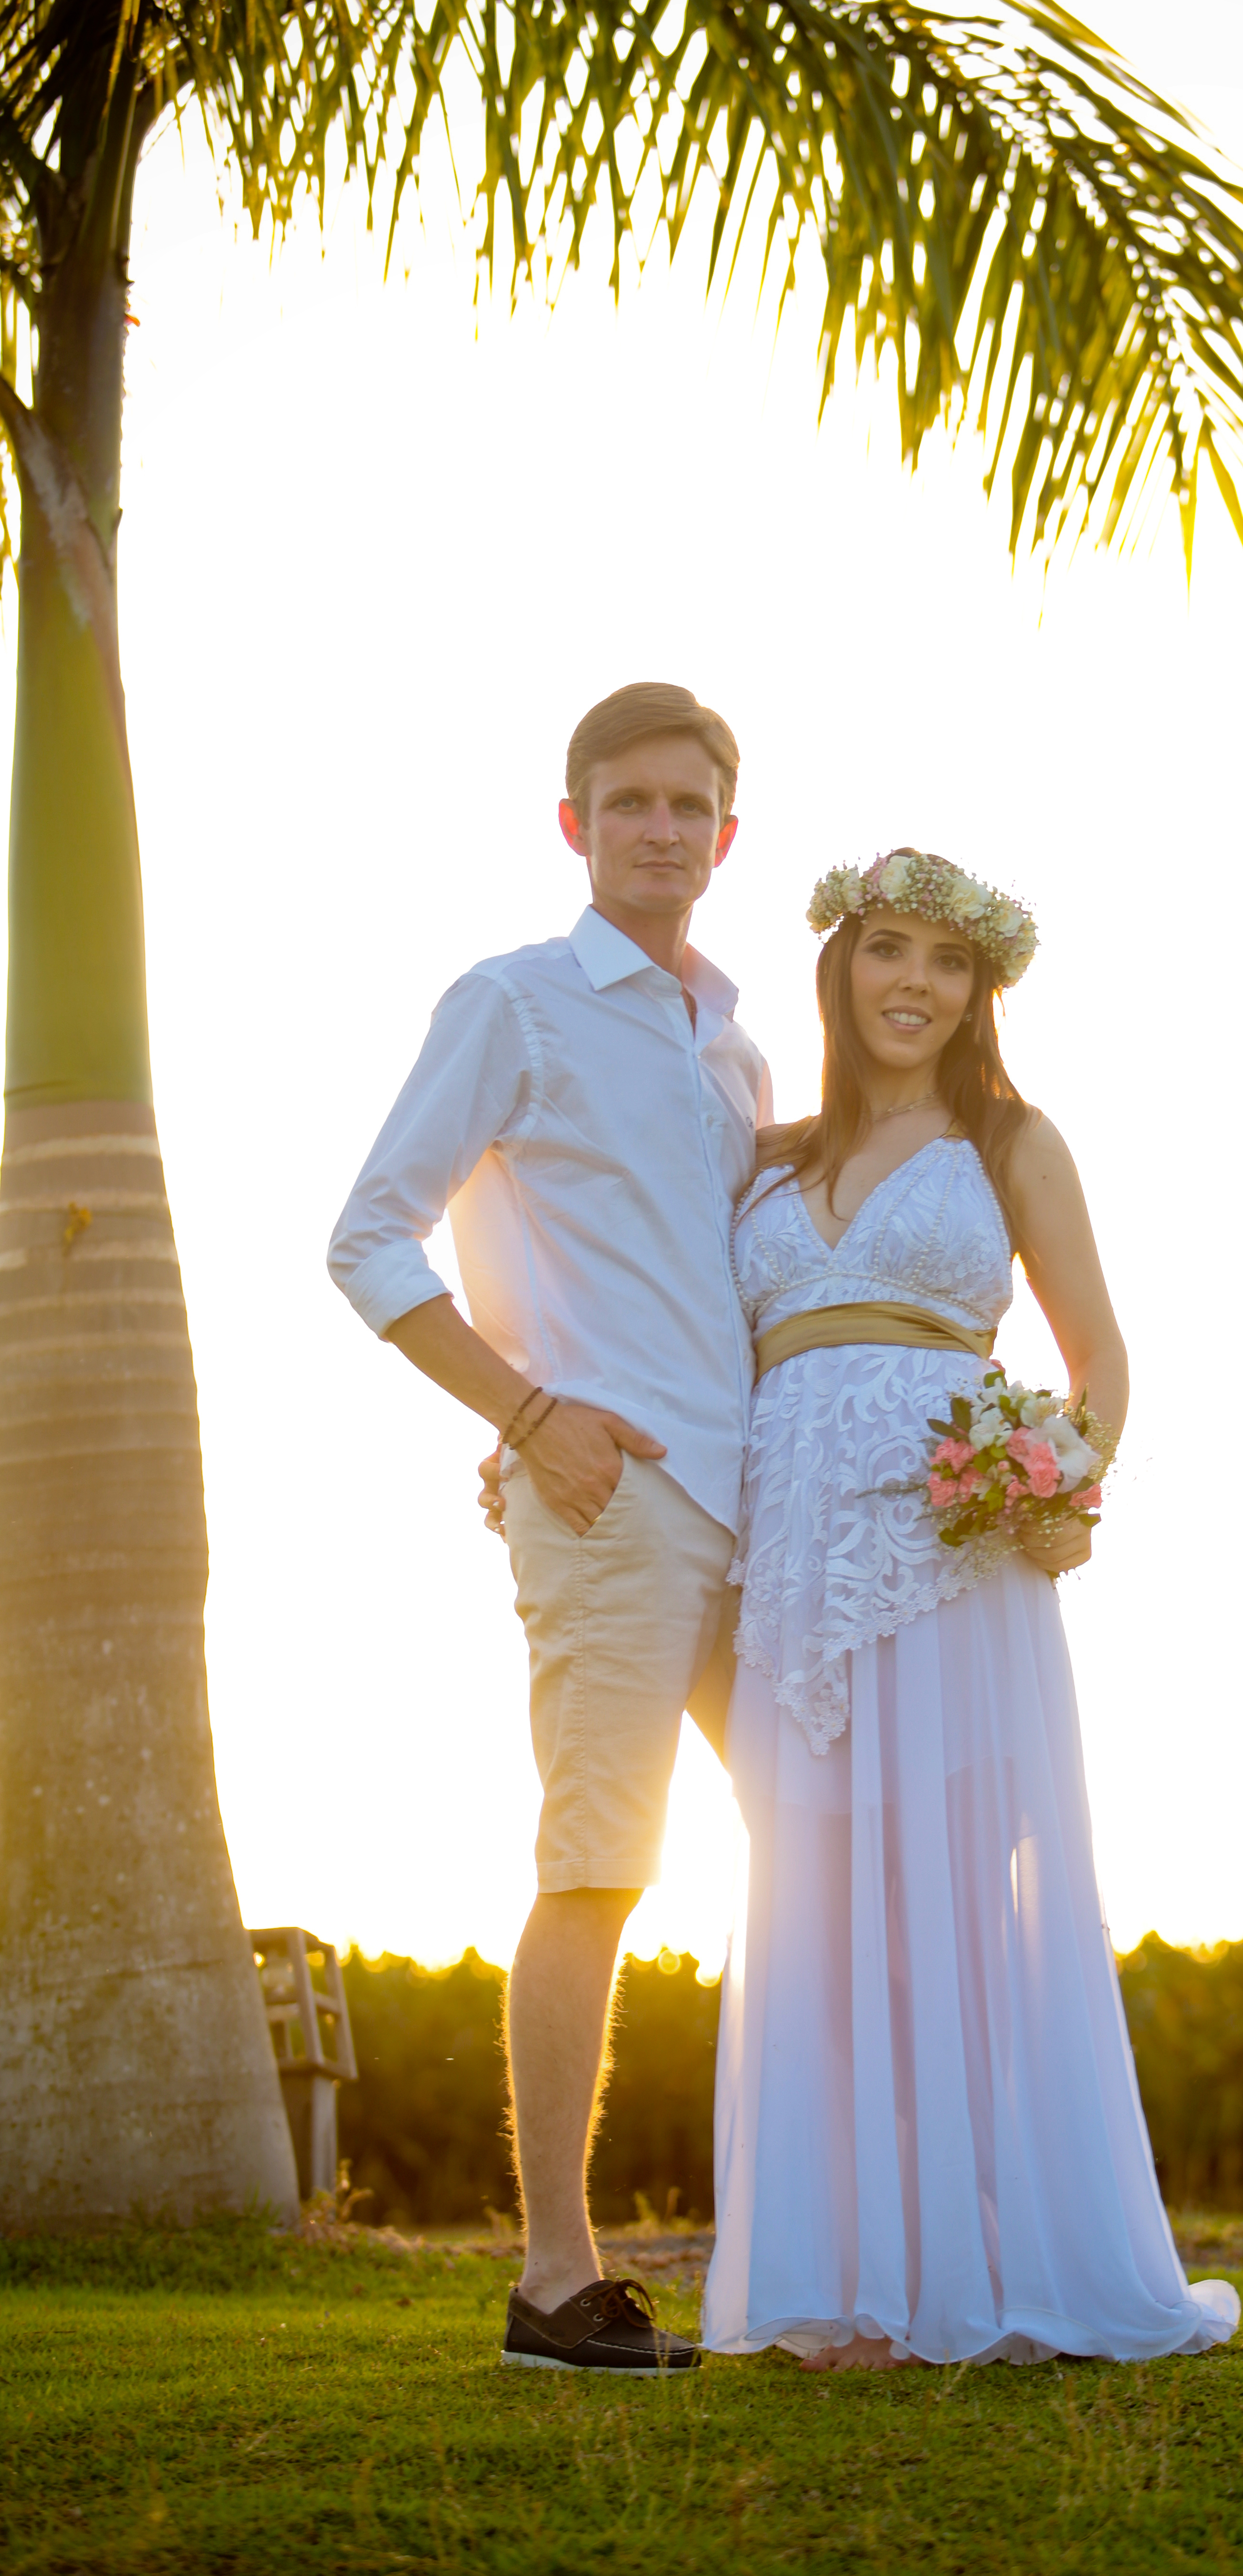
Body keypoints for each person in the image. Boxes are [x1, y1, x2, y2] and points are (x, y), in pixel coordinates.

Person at [700, 849, 1239, 2368]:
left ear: (977, 989)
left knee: (948, 1897)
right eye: (887, 949)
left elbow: (1104, 1365)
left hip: (951, 1553)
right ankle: (844, 2286)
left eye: (946, 960)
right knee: (819, 1904)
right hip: (791, 1556)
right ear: (842, 967)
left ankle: (992, 2272)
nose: (913, 983)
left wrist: (1053, 1483)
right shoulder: (765, 1158)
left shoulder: (1010, 1139)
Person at [327, 681, 765, 2378]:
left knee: (828, 1854)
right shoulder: (512, 1003)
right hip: (609, 1498)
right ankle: (557, 2285)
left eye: (692, 806)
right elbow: (369, 1239)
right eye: (629, 801)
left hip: (760, 1504)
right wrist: (525, 1418)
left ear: (729, 835)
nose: (662, 828)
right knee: (598, 1868)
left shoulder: (734, 1041)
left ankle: (836, 2239)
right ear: (574, 822)